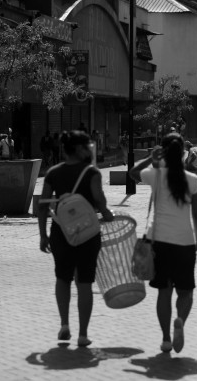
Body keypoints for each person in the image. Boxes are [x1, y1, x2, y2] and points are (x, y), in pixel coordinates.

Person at [129, 133, 197, 354]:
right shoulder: (193, 179)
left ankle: (165, 340)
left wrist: (150, 158)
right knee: (186, 292)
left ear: (163, 150)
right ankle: (180, 320)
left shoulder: (155, 175)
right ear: (183, 152)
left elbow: (132, 174)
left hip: (159, 242)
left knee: (164, 292)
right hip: (185, 243)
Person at [38, 131, 114, 347]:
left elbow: (43, 206)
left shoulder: (53, 173)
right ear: (79, 149)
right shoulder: (91, 173)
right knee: (84, 282)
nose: (90, 149)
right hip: (88, 234)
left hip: (61, 233)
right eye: (87, 146)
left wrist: (43, 235)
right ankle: (82, 334)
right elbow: (100, 202)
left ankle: (64, 325)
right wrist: (108, 214)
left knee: (62, 278)